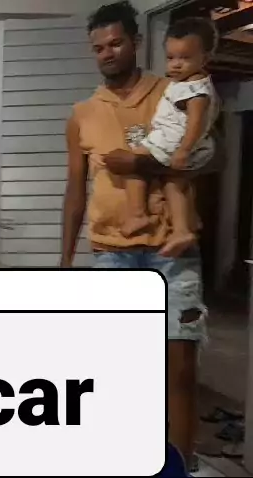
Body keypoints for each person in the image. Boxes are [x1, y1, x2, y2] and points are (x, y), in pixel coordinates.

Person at [61, 1, 217, 471]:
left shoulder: (177, 90)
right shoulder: (83, 113)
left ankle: (181, 464)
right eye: (99, 48)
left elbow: (209, 154)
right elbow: (75, 190)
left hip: (172, 249)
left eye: (116, 43)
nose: (107, 53)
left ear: (137, 42)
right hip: (111, 253)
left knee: (180, 367)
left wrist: (140, 163)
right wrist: (65, 262)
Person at [117, 17, 221, 258]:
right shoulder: (188, 83)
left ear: (205, 58)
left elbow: (196, 121)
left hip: (174, 140)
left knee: (132, 163)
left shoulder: (194, 88)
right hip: (177, 139)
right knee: (174, 184)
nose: (176, 65)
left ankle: (137, 214)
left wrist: (184, 149)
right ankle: (182, 230)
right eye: (171, 58)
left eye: (185, 58)